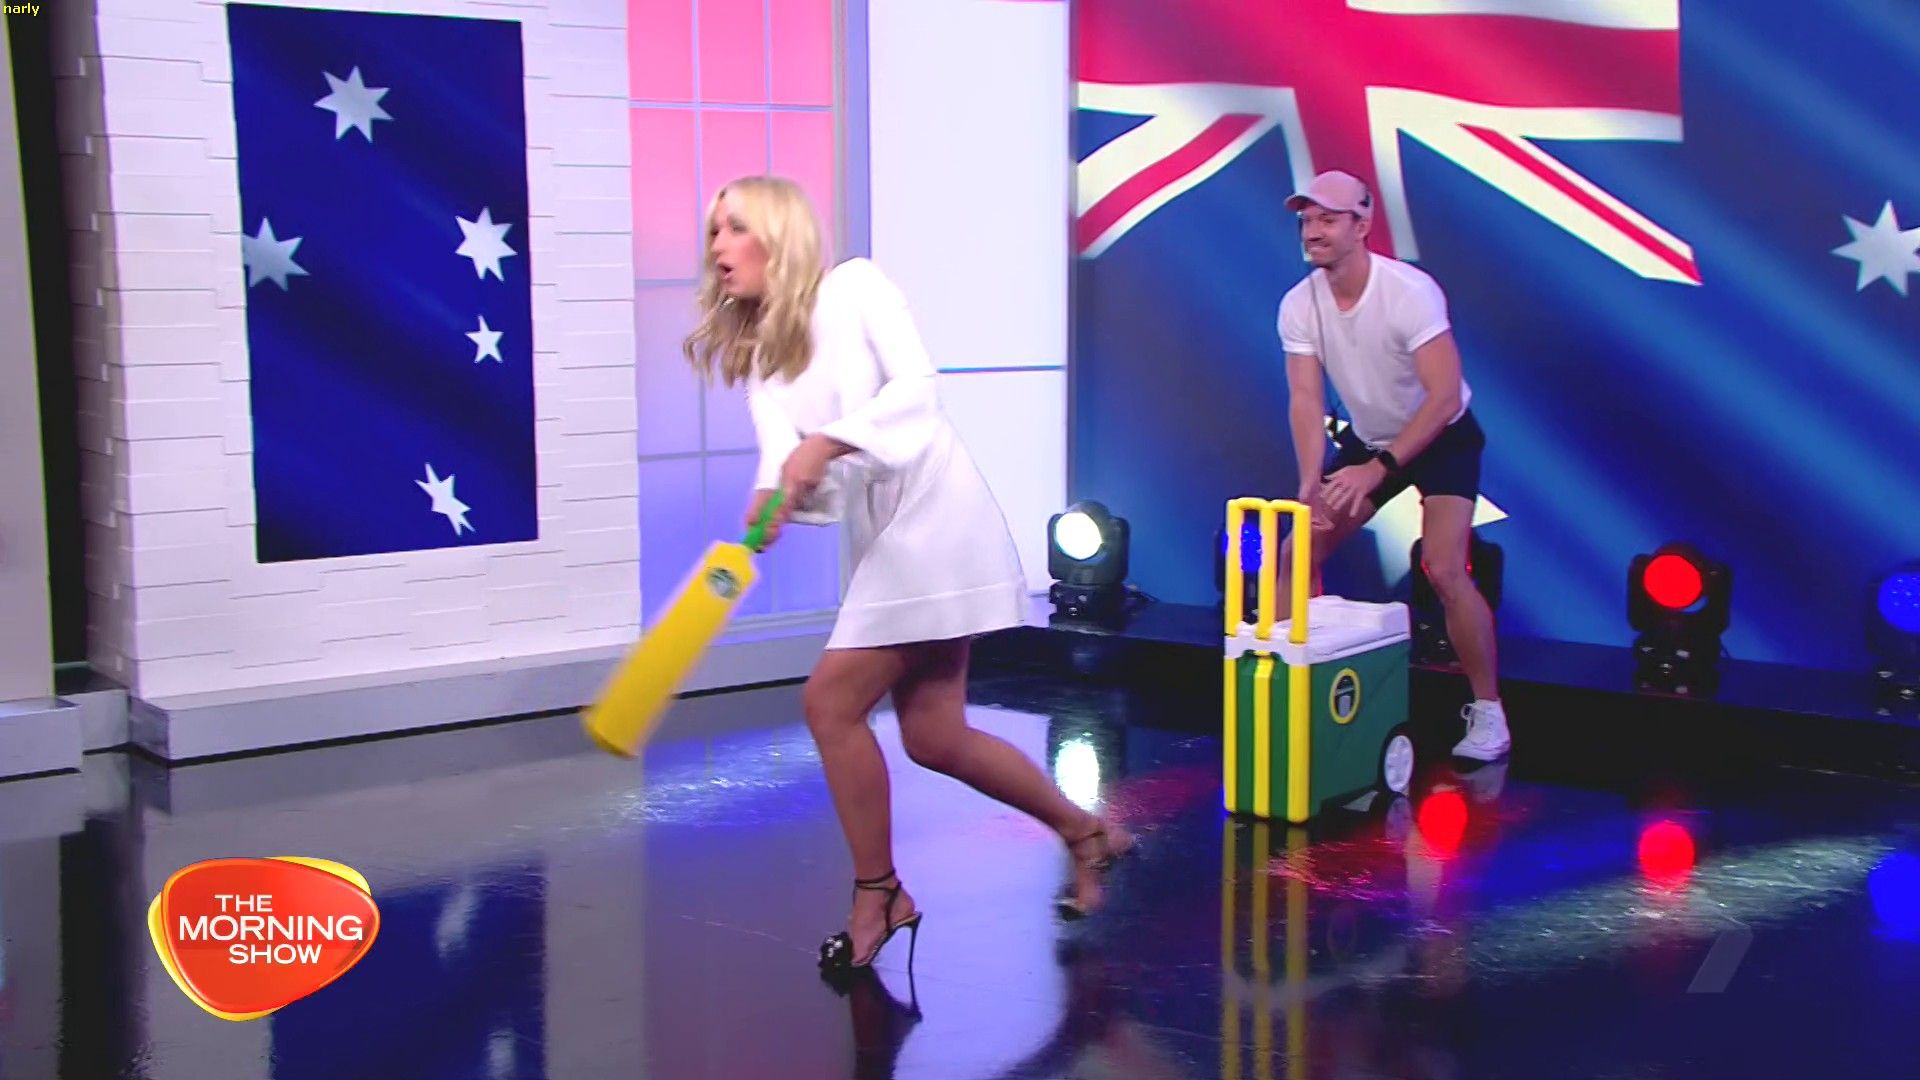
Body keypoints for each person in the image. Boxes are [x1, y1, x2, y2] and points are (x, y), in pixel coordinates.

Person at [684, 176, 1134, 976]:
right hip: (883, 533)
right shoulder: (762, 361)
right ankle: (1086, 832)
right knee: (934, 735)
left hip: (934, 517)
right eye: (713, 231)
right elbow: (786, 462)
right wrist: (774, 497)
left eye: (735, 227)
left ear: (779, 235)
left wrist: (824, 445)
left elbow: (918, 394)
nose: (718, 247)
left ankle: (880, 893)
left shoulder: (856, 287)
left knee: (829, 703)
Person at [1274, 170, 1510, 762]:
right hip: (1370, 440)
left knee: (1445, 568)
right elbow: (1304, 398)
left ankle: (1489, 712)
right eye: (1307, 220)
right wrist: (1310, 480)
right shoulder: (1299, 304)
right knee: (1296, 552)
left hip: (1442, 437)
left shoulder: (1409, 292)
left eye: (1328, 220)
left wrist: (1378, 468)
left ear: (1362, 225)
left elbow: (1445, 397)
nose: (1313, 231)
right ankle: (1290, 697)